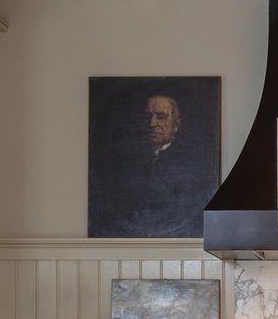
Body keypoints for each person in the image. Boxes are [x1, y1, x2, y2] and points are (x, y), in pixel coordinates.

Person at [90, 85, 218, 238]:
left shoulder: (193, 166)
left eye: (161, 117)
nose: (152, 124)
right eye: (147, 117)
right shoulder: (121, 164)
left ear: (176, 125)